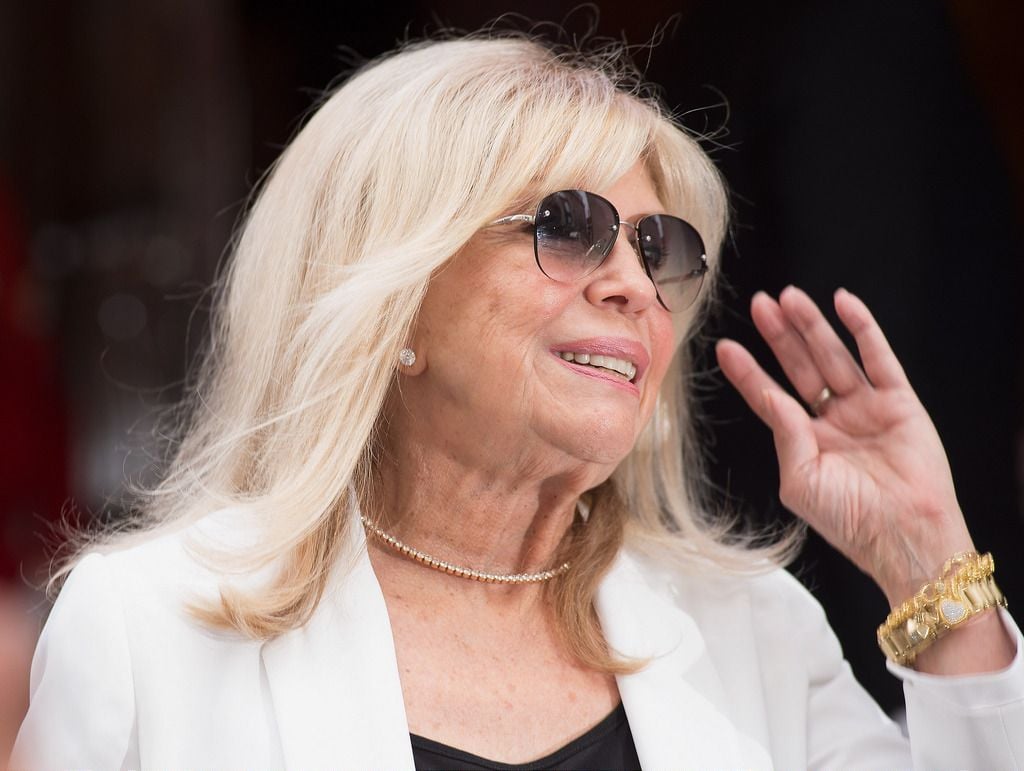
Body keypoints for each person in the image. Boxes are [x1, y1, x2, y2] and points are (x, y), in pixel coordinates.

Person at [12, 34, 1024, 769]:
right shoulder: (144, 632)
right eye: (570, 226)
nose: (633, 280)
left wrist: (929, 570)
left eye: (658, 247)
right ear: (391, 294)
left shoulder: (751, 628)